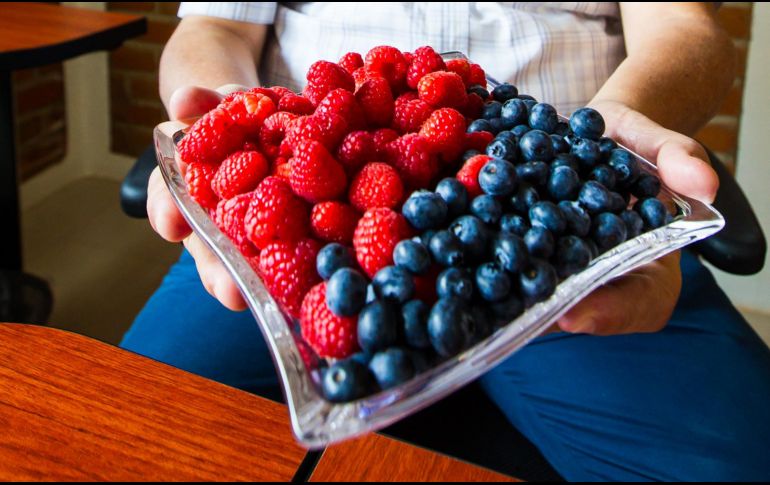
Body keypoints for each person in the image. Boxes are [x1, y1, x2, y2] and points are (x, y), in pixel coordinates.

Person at [122, 2, 770, 481]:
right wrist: (229, 116)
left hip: (554, 223)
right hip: (305, 217)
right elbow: (215, 26)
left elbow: (689, 29)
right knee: (124, 437)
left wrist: (601, 144)